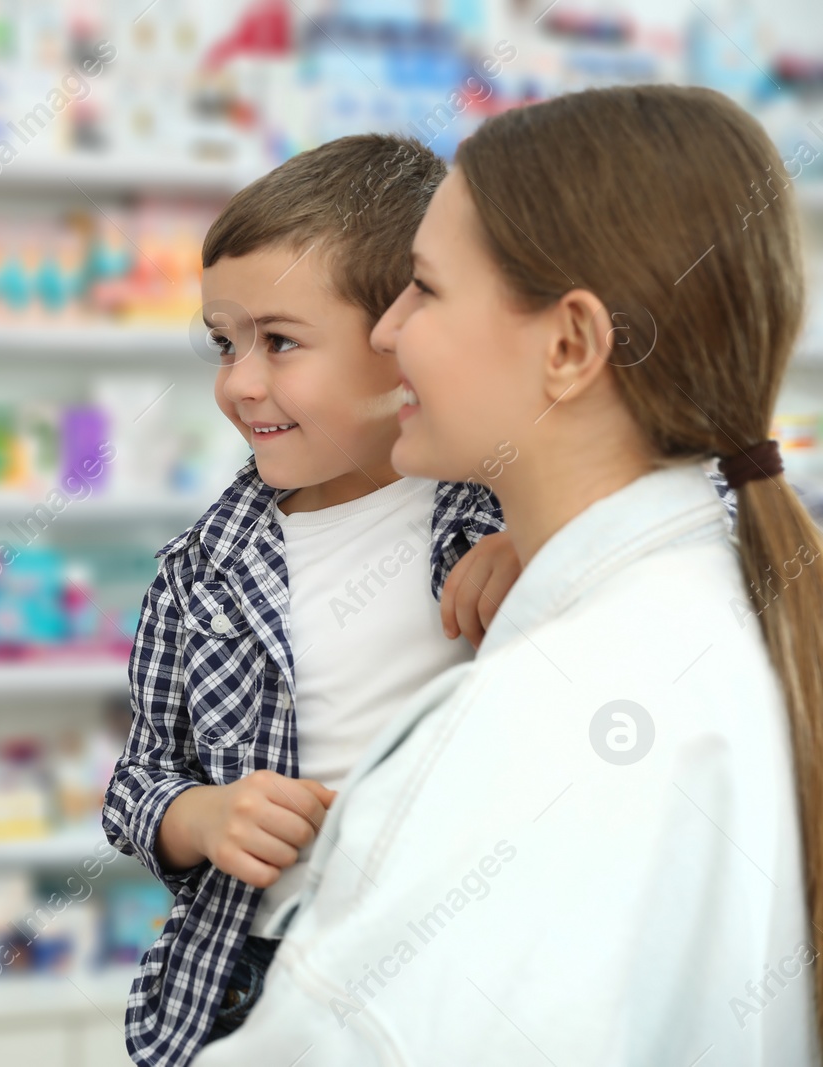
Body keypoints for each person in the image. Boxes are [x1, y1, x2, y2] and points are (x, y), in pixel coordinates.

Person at [194, 85, 822, 1065]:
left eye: (425, 288)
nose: (388, 329)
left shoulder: (547, 717)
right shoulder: (724, 601)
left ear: (569, 345)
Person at [100, 133, 524, 1067]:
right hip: (259, 972)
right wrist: (203, 818)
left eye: (281, 342)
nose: (240, 383)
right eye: (224, 343)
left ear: (401, 338)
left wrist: (532, 543)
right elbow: (136, 782)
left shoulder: (496, 512)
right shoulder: (198, 570)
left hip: (459, 964)